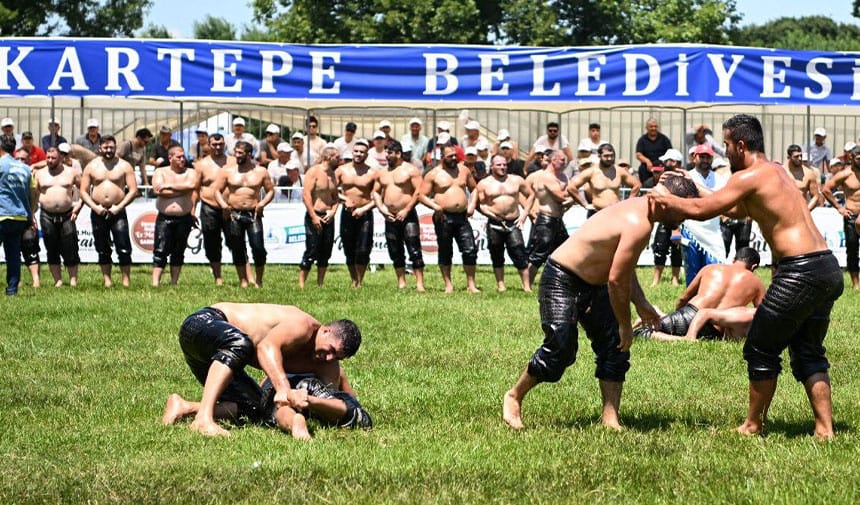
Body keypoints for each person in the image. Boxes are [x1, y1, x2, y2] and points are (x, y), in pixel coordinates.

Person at [650, 114, 844, 439]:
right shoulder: (776, 172)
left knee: (760, 348)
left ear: (740, 145)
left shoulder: (749, 176)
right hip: (826, 268)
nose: (725, 151)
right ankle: (825, 430)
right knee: (808, 350)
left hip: (799, 270)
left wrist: (664, 197)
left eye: (726, 145)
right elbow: (734, 209)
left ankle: (753, 426)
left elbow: (703, 211)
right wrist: (697, 186)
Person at [502, 176, 699, 431]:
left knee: (614, 348)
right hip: (562, 278)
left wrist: (642, 304)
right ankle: (514, 396)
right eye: (683, 210)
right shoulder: (637, 222)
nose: (684, 217)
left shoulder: (642, 214)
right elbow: (617, 281)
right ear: (668, 203)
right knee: (561, 348)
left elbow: (623, 269)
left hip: (594, 285)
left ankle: (610, 418)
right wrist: (625, 325)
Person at [161, 303, 363, 438]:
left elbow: (336, 400)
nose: (328, 358)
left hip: (214, 356)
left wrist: (316, 405)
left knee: (257, 408)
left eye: (337, 357)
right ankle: (203, 419)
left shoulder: (326, 364)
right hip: (203, 323)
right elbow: (266, 347)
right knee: (241, 343)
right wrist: (283, 388)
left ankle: (184, 407)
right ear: (325, 330)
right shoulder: (303, 325)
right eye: (330, 351)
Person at [644, 247, 765, 342]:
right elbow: (762, 317)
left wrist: (677, 314)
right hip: (714, 329)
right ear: (753, 267)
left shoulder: (710, 268)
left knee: (642, 332)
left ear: (734, 259)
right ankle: (676, 332)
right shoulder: (757, 283)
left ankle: (679, 337)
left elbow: (683, 298)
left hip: (690, 314)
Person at [468, 154, 535, 292]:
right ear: (491, 166)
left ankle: (527, 286)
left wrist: (524, 214)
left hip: (513, 222)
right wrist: (489, 213)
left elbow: (531, 195)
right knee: (496, 254)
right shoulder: (484, 183)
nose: (502, 167)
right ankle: (501, 285)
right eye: (499, 165)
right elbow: (478, 204)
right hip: (495, 223)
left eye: (504, 164)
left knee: (519, 252)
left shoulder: (516, 180)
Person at [79, 135, 138, 287]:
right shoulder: (91, 166)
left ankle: (126, 280)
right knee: (102, 248)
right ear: (100, 148)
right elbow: (83, 191)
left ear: (115, 147)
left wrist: (119, 207)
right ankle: (107, 280)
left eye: (111, 147)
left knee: (123, 247)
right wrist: (95, 207)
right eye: (105, 147)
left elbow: (133, 190)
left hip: (118, 211)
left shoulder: (124, 166)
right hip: (99, 211)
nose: (108, 150)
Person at [214, 141, 275, 288]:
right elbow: (217, 190)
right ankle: (243, 280)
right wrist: (224, 206)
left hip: (252, 214)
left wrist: (261, 204)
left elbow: (271, 191)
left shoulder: (261, 171)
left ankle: (259, 280)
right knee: (237, 247)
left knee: (258, 247)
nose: (237, 155)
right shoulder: (228, 171)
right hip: (234, 214)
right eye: (235, 152)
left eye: (240, 153)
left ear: (249, 154)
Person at [419, 145, 479, 293]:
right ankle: (448, 284)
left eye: (455, 155)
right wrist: (436, 206)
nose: (453, 158)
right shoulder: (433, 174)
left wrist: (471, 206)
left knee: (470, 250)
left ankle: (471, 284)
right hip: (443, 217)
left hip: (462, 216)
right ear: (441, 157)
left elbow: (475, 189)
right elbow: (421, 195)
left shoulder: (463, 170)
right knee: (446, 251)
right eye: (450, 156)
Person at [524, 150, 587, 286]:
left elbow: (572, 192)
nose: (565, 162)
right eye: (562, 160)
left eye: (565, 160)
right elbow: (561, 196)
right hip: (546, 220)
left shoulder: (563, 176)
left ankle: (567, 282)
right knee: (539, 254)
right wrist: (573, 198)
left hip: (558, 220)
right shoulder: (546, 177)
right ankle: (527, 284)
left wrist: (575, 200)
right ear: (553, 161)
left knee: (566, 251)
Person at [373, 140, 426, 291]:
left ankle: (419, 283)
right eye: (386, 152)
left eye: (389, 152)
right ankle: (401, 282)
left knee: (414, 249)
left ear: (398, 153)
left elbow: (419, 192)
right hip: (390, 216)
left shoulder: (411, 170)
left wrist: (406, 209)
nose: (386, 155)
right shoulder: (382, 172)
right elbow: (375, 192)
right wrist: (382, 210)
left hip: (407, 215)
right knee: (395, 251)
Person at [34, 146, 82, 287]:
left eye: (53, 158)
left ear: (60, 158)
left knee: (71, 246)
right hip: (46, 215)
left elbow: (84, 189)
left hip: (67, 214)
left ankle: (73, 280)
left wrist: (78, 206)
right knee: (51, 246)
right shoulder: (40, 174)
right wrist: (32, 213)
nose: (49, 160)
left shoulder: (72, 172)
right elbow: (33, 194)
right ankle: (58, 280)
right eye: (47, 158)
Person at [151, 146, 199, 287]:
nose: (182, 159)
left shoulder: (191, 172)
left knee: (178, 251)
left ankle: (174, 282)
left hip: (184, 217)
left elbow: (192, 185)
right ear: (170, 157)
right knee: (160, 250)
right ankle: (155, 283)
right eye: (179, 157)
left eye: (183, 157)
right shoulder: (160, 171)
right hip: (164, 217)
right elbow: (158, 190)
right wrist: (182, 189)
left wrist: (169, 185)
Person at [336, 139, 378, 288]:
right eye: (356, 151)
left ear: (367, 154)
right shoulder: (342, 170)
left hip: (364, 214)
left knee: (363, 249)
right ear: (352, 152)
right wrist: (344, 199)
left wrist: (364, 209)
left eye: (362, 152)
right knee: (348, 248)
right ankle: (354, 278)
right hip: (347, 213)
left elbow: (378, 198)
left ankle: (360, 280)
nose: (358, 154)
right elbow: (331, 190)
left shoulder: (372, 173)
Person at [195, 133, 235, 285]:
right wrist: (193, 210)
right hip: (209, 206)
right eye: (214, 145)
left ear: (224, 144)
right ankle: (218, 277)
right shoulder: (202, 165)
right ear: (208, 145)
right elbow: (195, 189)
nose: (218, 147)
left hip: (230, 207)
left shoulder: (233, 162)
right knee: (212, 243)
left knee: (236, 242)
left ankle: (245, 276)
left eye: (220, 144)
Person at [299, 146, 341, 288]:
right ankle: (301, 284)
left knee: (326, 250)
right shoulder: (314, 172)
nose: (339, 159)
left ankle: (320, 283)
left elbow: (336, 198)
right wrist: (313, 216)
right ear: (328, 157)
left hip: (328, 216)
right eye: (337, 157)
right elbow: (306, 195)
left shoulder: (333, 175)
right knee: (312, 249)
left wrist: (333, 211)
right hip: (315, 214)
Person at [822, 144, 860, 290]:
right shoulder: (845, 174)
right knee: (852, 249)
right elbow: (825, 189)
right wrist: (839, 207)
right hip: (851, 215)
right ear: (852, 158)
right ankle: (856, 284)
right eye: (858, 159)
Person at [567, 143, 640, 218]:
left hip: (616, 213)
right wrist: (584, 204)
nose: (609, 158)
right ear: (599, 156)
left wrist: (628, 203)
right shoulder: (591, 172)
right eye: (606, 156)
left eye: (611, 156)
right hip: (597, 213)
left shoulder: (619, 171)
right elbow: (571, 187)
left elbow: (636, 185)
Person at [0, 140, 34, 295]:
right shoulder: (25, 168)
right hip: (20, 217)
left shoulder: (1, 165)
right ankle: (12, 290)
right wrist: (30, 215)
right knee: (13, 254)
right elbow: (31, 193)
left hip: (2, 214)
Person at [650, 149, 684, 286]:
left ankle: (675, 279)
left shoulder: (684, 179)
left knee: (676, 251)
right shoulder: (663, 178)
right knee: (660, 248)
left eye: (667, 160)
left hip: (680, 220)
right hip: (664, 219)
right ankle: (656, 280)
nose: (665, 163)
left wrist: (678, 225)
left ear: (675, 162)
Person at [14, 149, 41, 288]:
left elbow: (34, 198)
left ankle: (36, 280)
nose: (20, 162)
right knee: (13, 250)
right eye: (17, 159)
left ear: (29, 161)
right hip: (9, 218)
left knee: (30, 245)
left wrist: (32, 216)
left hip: (26, 218)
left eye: (23, 159)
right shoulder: (6, 175)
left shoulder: (31, 177)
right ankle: (16, 280)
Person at [634, 118, 672, 188]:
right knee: (642, 168)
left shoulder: (664, 139)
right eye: (651, 126)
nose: (653, 128)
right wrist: (647, 161)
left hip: (661, 165)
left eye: (655, 126)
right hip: (648, 166)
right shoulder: (642, 140)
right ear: (646, 128)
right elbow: (638, 154)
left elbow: (670, 153)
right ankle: (645, 189)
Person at [784, 144, 822, 211]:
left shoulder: (808, 173)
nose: (800, 158)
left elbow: (815, 196)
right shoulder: (781, 171)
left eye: (800, 156)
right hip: (784, 211)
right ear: (788, 157)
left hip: (801, 211)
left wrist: (807, 210)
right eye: (796, 156)